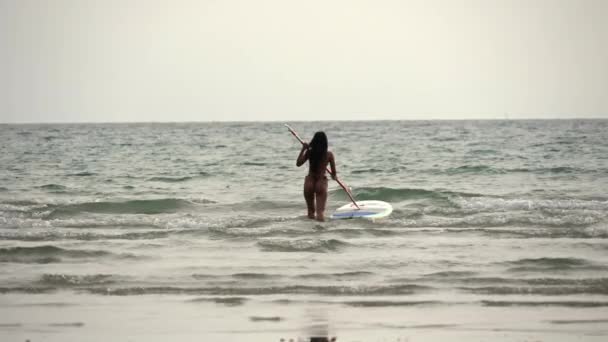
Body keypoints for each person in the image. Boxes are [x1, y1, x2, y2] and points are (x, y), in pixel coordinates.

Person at [296, 131, 337, 221]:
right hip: (321, 182)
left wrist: (303, 149)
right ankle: (321, 233)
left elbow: (298, 163)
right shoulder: (329, 155)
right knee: (320, 213)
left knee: (310, 212)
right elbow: (334, 175)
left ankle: (311, 234)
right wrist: (334, 176)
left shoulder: (309, 152)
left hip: (309, 182)